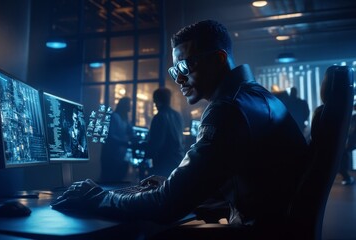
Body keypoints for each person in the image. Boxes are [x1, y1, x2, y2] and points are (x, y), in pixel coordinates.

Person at [51, 20, 309, 230]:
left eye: (184, 66)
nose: (179, 79)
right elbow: (251, 186)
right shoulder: (257, 97)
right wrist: (174, 187)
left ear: (219, 59)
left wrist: (96, 197)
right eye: (175, 71)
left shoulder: (228, 108)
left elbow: (166, 206)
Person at [145, 87, 184, 177]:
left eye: (154, 100)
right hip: (177, 159)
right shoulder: (177, 115)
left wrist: (147, 155)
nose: (154, 103)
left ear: (158, 100)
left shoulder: (159, 117)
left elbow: (157, 143)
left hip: (163, 162)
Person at [100, 97, 133, 182]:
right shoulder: (114, 117)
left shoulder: (125, 119)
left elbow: (131, 133)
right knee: (109, 180)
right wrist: (126, 143)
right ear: (124, 105)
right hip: (111, 155)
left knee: (116, 181)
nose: (130, 106)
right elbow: (110, 136)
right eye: (129, 104)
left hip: (119, 156)